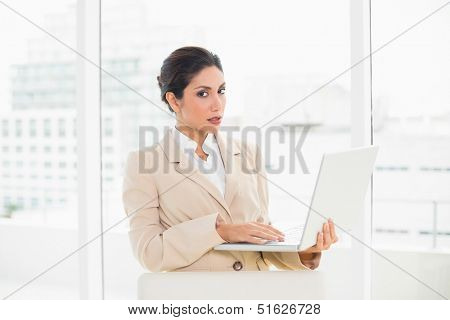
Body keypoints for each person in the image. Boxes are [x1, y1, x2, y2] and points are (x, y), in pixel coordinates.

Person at [122, 46, 338, 272]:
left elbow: (262, 236)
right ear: (174, 101)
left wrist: (306, 250)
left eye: (221, 91)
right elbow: (149, 252)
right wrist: (219, 232)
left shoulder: (248, 153)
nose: (218, 104)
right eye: (203, 93)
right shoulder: (144, 164)